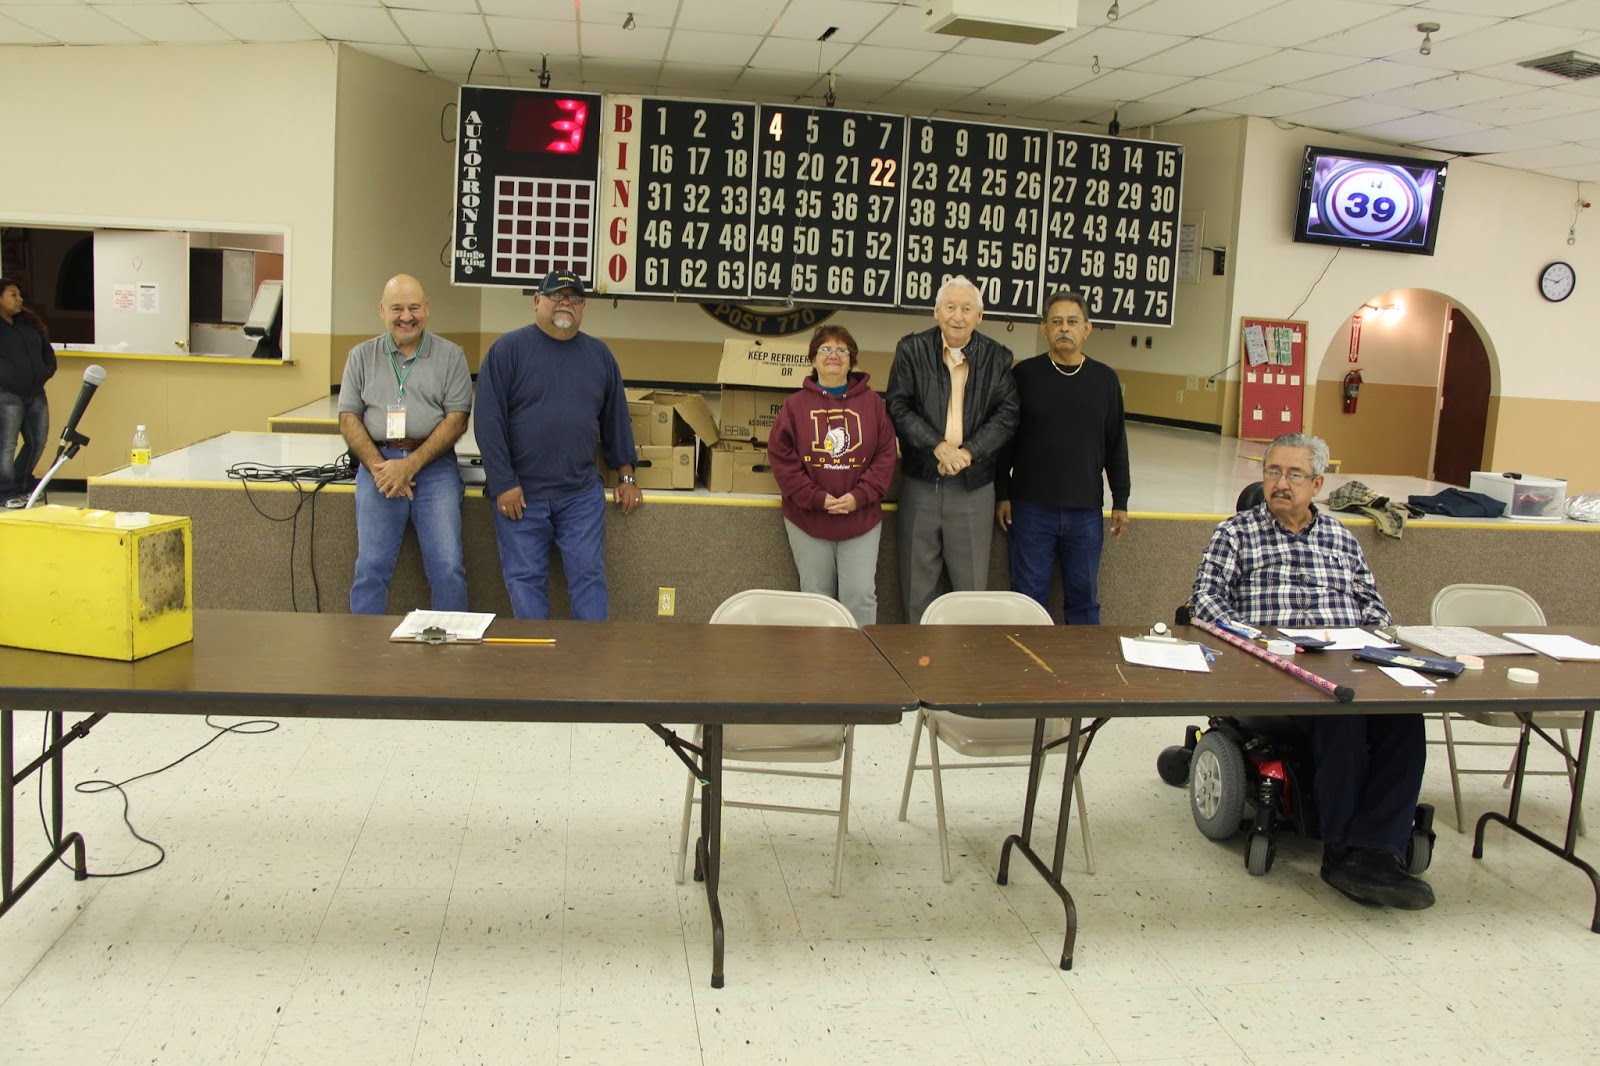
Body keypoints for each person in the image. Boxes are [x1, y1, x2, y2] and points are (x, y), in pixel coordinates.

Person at [1189, 432, 1432, 910]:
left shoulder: (1342, 538)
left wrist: (1376, 643)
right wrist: (1255, 639)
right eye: (1273, 472)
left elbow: (1373, 608)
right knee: (1341, 717)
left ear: (1317, 483)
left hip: (1347, 658)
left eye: (1294, 475)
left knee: (1404, 718)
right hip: (1272, 666)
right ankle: (1341, 851)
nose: (1281, 483)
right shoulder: (1235, 534)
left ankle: (1379, 848)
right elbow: (1204, 601)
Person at [475, 269, 642, 620]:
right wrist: (504, 483)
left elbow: (615, 418)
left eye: (575, 299)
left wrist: (626, 476)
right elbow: (488, 423)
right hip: (520, 498)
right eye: (557, 295)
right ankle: (539, 668)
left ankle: (591, 662)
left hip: (580, 496)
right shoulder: (507, 351)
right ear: (537, 301)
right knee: (524, 581)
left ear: (583, 309)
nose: (567, 303)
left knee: (589, 578)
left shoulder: (599, 356)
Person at [885, 276, 1018, 623]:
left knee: (970, 586)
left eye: (966, 308)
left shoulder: (998, 358)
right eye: (950, 307)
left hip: (974, 486)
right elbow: (897, 406)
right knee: (917, 586)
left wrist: (968, 452)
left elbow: (1007, 416)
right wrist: (939, 447)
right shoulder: (911, 351)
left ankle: (963, 666)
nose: (957, 316)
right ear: (936, 312)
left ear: (980, 315)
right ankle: (917, 661)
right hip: (921, 481)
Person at [338, 274, 472, 614]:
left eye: (414, 307)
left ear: (427, 309)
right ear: (382, 311)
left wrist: (409, 465)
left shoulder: (451, 356)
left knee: (448, 568)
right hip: (378, 468)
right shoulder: (360, 357)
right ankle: (363, 651)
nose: (406, 316)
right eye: (397, 308)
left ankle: (450, 648)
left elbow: (457, 419)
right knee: (370, 569)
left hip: (434, 468)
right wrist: (380, 468)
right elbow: (348, 418)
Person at [996, 290, 1130, 624]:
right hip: (1030, 509)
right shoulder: (1023, 376)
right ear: (1044, 329)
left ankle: (1080, 672)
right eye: (1056, 322)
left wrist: (1121, 499)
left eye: (1072, 321)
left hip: (1084, 510)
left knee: (1083, 599)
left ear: (1088, 328)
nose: (1064, 328)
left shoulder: (1105, 380)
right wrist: (1003, 493)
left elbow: (1116, 443)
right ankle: (1027, 670)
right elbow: (1005, 441)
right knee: (1028, 598)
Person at [767, 325, 898, 626]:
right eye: (825, 349)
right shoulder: (794, 407)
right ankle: (817, 666)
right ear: (813, 360)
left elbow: (885, 457)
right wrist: (816, 498)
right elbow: (782, 459)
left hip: (860, 519)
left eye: (842, 350)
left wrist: (858, 497)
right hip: (808, 520)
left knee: (860, 595)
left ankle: (859, 663)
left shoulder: (874, 406)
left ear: (852, 361)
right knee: (815, 596)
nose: (834, 356)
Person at [0, 278, 57, 508]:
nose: (19, 299)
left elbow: (47, 351)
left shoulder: (30, 323)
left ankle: (21, 485)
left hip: (36, 394)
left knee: (37, 441)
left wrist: (47, 370)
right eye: (13, 295)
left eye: (19, 295)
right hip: (7, 395)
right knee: (6, 445)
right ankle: (5, 492)